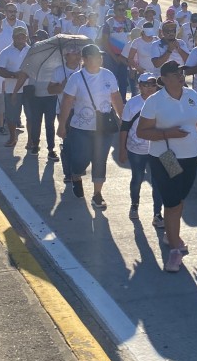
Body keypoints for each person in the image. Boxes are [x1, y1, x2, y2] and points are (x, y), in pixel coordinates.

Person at [137, 61, 197, 273]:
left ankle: (171, 234)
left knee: (179, 199)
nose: (180, 77)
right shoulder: (154, 101)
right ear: (163, 79)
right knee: (172, 203)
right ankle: (174, 251)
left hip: (190, 156)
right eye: (174, 74)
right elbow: (142, 132)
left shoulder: (192, 95)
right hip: (165, 157)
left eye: (181, 73)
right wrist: (167, 134)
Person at [57, 44, 125, 208]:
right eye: (94, 56)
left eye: (100, 56)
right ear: (85, 60)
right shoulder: (76, 78)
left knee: (100, 160)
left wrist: (124, 119)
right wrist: (62, 125)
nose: (99, 59)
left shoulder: (108, 75)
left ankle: (97, 194)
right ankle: (76, 175)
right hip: (81, 128)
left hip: (104, 127)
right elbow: (67, 102)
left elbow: (116, 98)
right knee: (81, 159)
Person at [119, 73, 164, 227]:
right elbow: (124, 128)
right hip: (136, 149)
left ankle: (158, 214)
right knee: (137, 178)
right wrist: (122, 149)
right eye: (146, 85)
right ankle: (134, 205)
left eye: (153, 85)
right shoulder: (132, 104)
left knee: (159, 181)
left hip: (159, 149)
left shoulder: (164, 102)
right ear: (139, 86)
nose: (150, 88)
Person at [48, 47, 82, 184]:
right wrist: (62, 86)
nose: (77, 56)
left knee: (81, 143)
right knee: (67, 142)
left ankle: (77, 169)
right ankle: (68, 173)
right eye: (73, 53)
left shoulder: (83, 69)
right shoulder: (58, 71)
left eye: (78, 53)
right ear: (66, 56)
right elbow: (50, 89)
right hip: (64, 111)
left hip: (81, 110)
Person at [0, 27, 30, 148]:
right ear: (13, 38)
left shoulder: (31, 51)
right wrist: (13, 75)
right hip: (11, 89)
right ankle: (12, 137)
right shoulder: (5, 52)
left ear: (26, 37)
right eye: (18, 37)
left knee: (30, 116)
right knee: (11, 116)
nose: (21, 39)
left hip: (28, 88)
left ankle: (31, 141)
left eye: (23, 37)